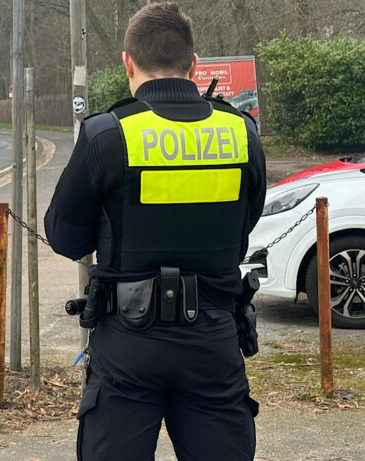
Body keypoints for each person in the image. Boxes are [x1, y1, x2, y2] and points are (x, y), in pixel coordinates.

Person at [44, 3, 266, 460]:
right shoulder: (242, 133)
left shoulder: (107, 134)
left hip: (129, 343)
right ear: (194, 64)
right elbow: (246, 223)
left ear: (128, 62)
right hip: (213, 337)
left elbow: (65, 238)